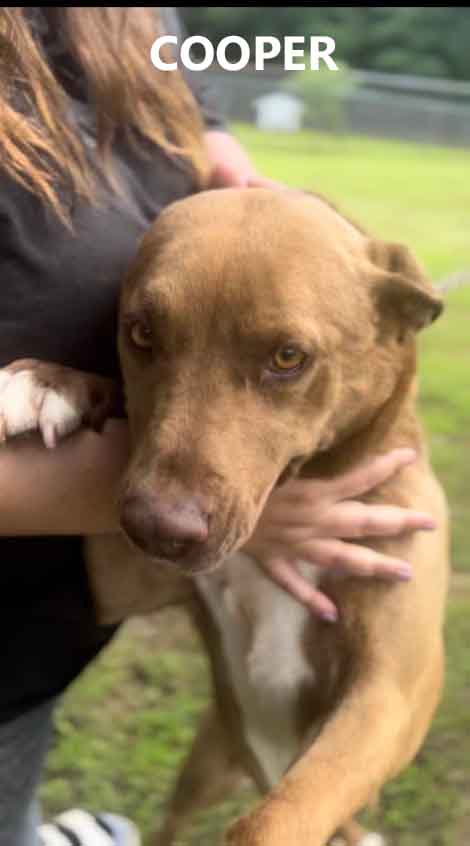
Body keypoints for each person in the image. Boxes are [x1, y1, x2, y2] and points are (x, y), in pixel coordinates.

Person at [0, 8, 436, 846]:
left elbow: (393, 696)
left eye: (284, 360)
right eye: (142, 336)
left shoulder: (135, 13)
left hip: (38, 661)